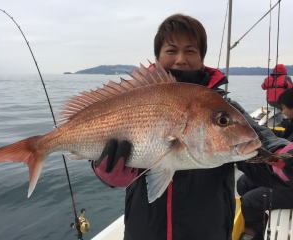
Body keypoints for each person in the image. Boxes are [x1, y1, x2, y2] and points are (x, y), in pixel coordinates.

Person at [92, 14, 293, 240]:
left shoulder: (223, 108)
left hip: (207, 231)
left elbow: (261, 141)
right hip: (144, 230)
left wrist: (283, 158)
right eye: (171, 50)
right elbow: (97, 140)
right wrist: (107, 172)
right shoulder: (132, 99)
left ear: (201, 57)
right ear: (157, 57)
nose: (180, 59)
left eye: (190, 50)